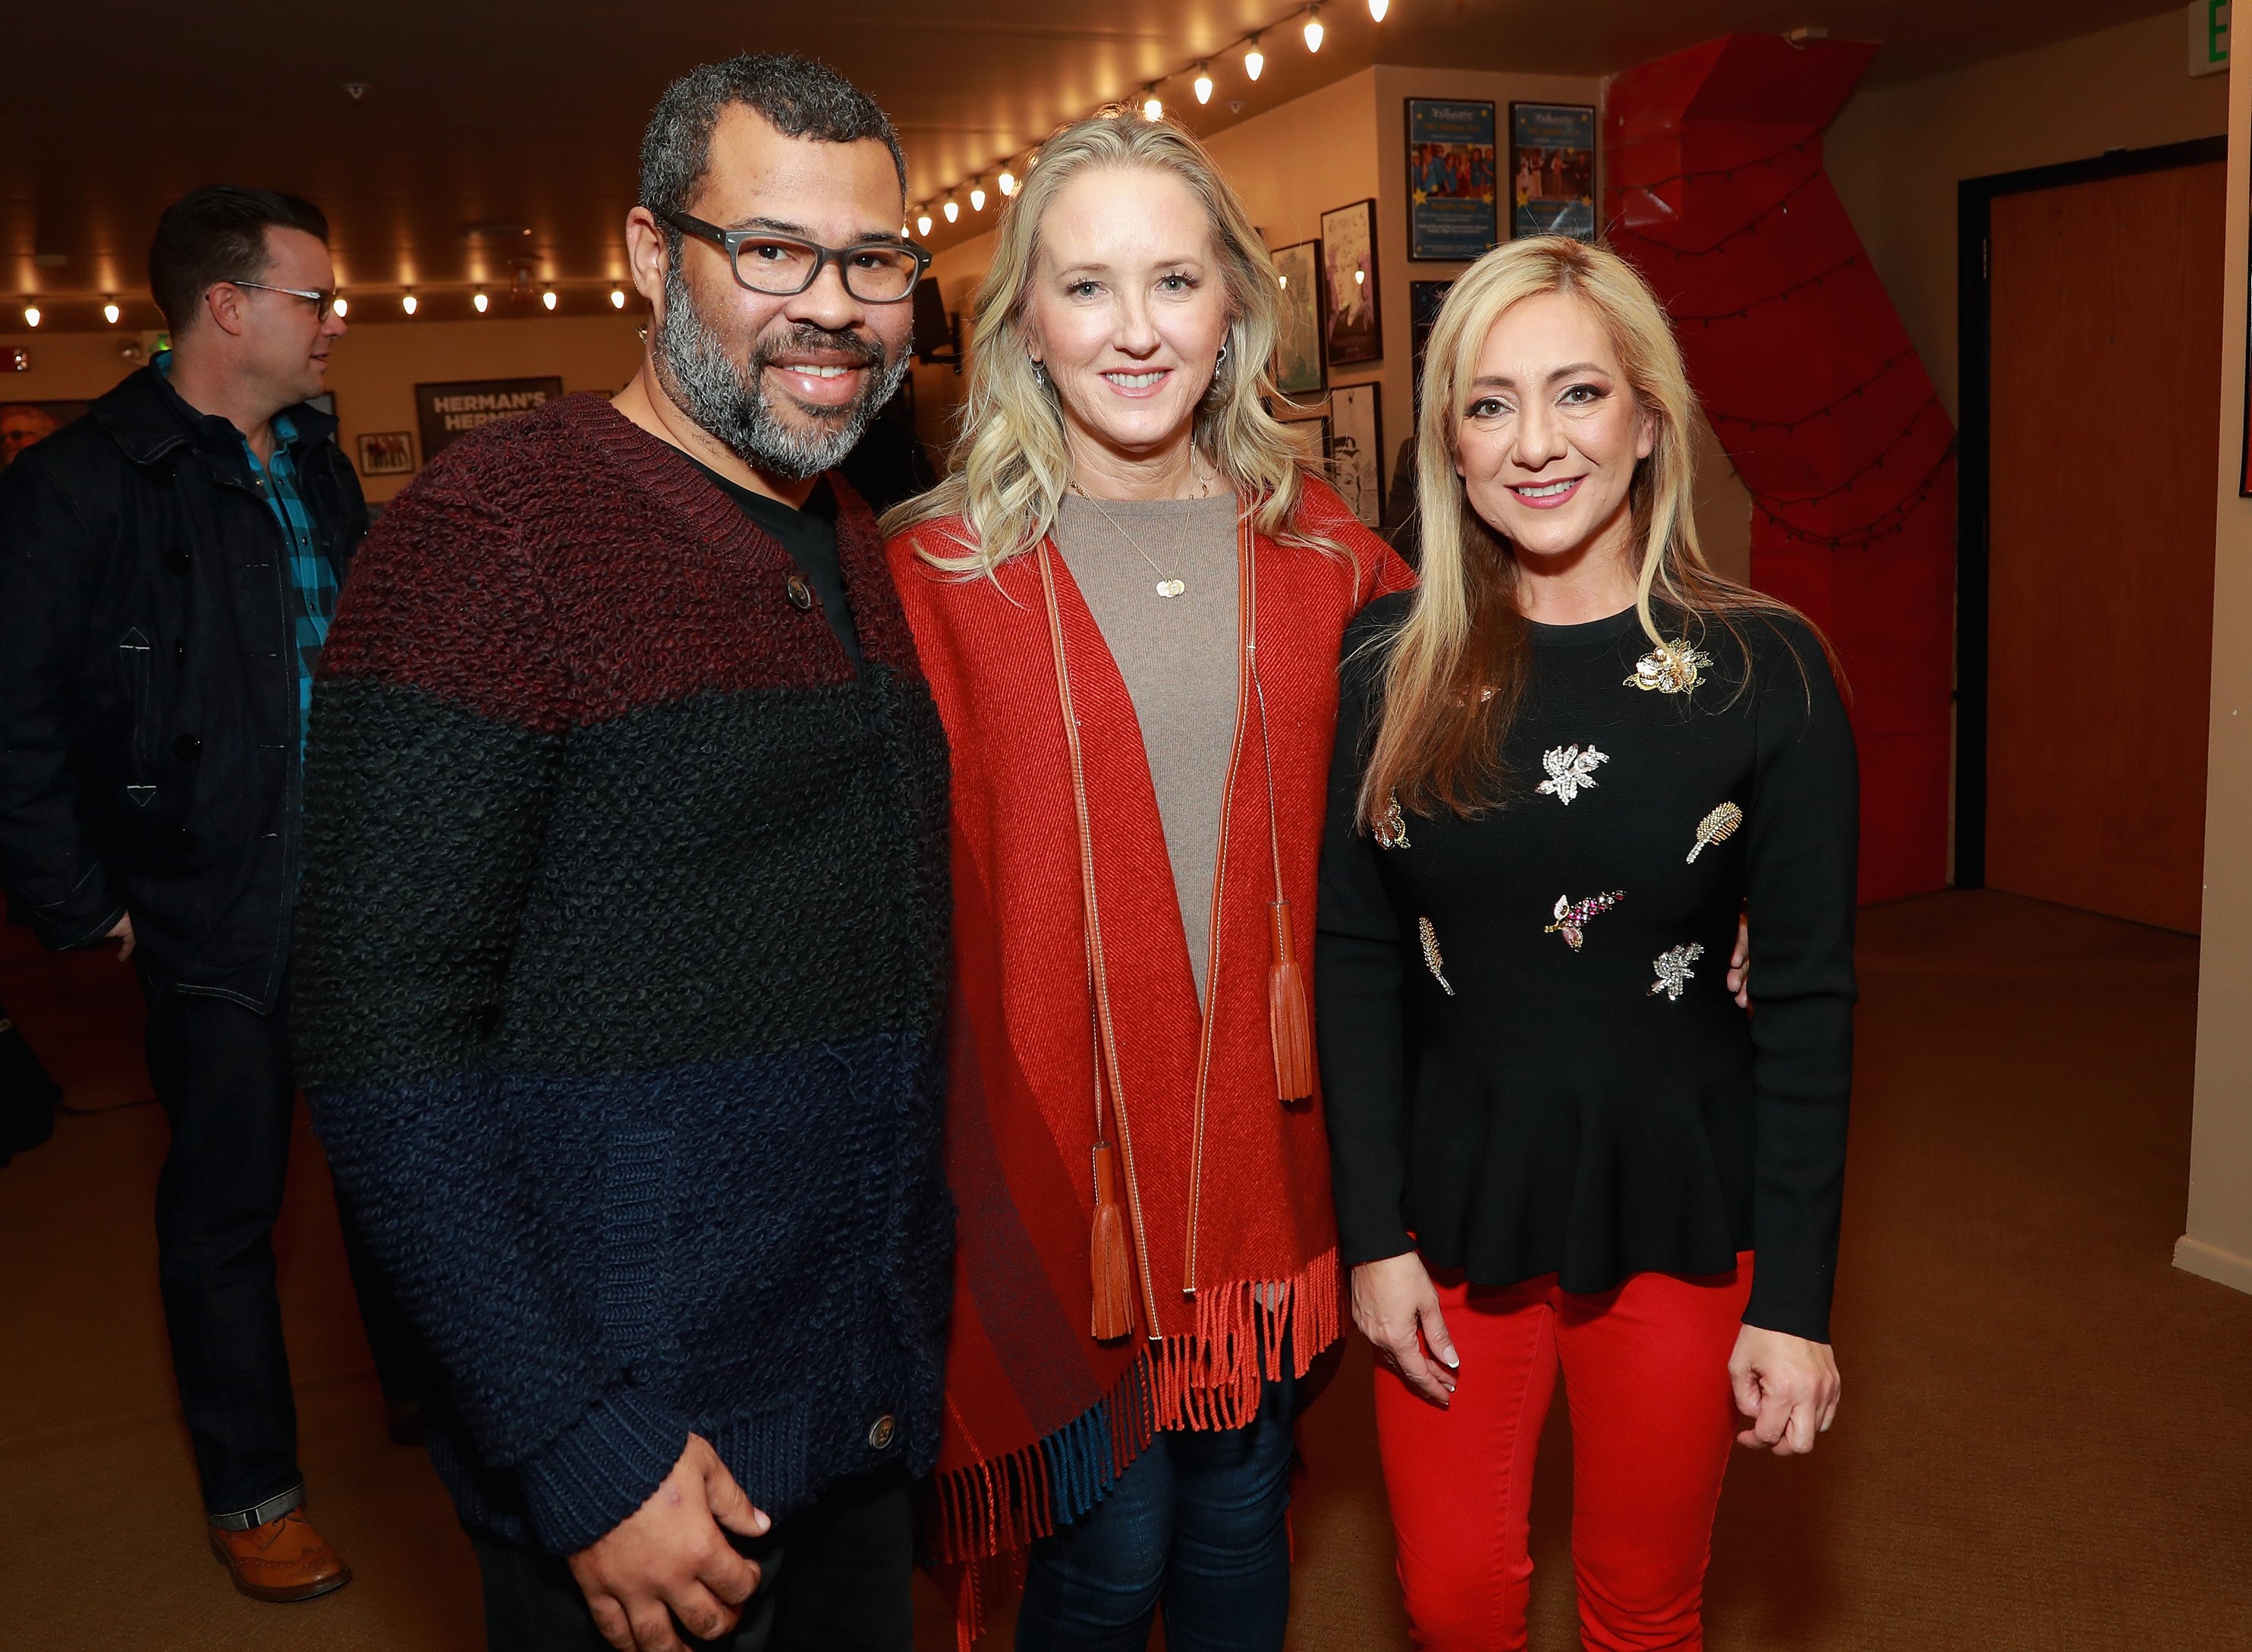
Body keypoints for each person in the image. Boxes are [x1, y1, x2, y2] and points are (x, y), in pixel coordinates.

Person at [291, 55, 952, 1652]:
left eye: (872, 262)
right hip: (648, 1455)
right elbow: (380, 1035)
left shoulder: (852, 529)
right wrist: (574, 1443)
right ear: (655, 255)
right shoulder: (489, 536)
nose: (832, 306)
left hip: (850, 1410)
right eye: (773, 251)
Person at [882, 112, 1411, 1650]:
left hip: (1267, 1160)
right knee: (1107, 1557)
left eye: (1173, 282)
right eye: (1086, 286)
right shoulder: (940, 576)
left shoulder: (1333, 562)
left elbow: (1465, 806)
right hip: (1050, 1173)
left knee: (1245, 1515)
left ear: (1236, 305)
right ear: (1022, 322)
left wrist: (1691, 918)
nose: (1133, 330)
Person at [1319, 235, 1855, 1651]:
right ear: (1449, 439)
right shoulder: (1389, 664)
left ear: (1647, 419)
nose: (1536, 442)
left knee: (1642, 1608)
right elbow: (1356, 960)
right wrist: (1370, 1237)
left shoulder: (1765, 667)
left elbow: (1806, 999)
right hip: (1447, 1212)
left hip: (1682, 1207)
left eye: (1577, 393)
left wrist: (1795, 1302)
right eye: (1491, 403)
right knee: (1454, 1601)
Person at [0, 186, 367, 1600]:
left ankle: (437, 1423)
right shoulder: (77, 485)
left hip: (366, 903)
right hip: (211, 911)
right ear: (228, 308)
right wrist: (88, 905)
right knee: (224, 1217)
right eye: (315, 297)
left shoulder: (318, 465)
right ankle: (253, 1489)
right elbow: (6, 726)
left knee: (407, 1180)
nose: (336, 322)